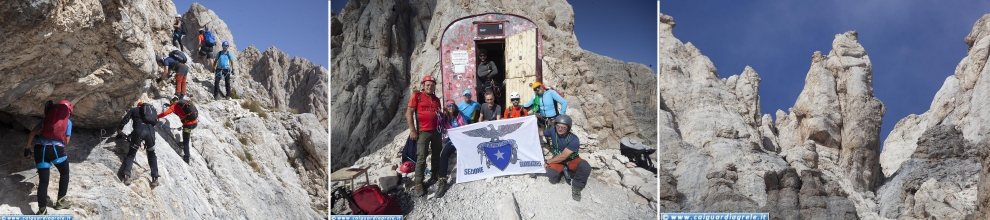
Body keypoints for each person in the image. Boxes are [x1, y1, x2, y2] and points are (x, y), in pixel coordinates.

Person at [22, 100, 74, 215]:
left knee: (43, 181)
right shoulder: (68, 122)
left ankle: (42, 210)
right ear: (68, 112)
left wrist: (27, 149)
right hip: (56, 149)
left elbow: (32, 133)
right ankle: (61, 201)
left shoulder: (45, 120)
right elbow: (66, 142)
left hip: (40, 148)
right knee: (64, 172)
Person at [404, 75, 442, 196]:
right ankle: (418, 183)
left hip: (436, 131)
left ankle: (435, 172)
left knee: (437, 153)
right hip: (423, 132)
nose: (430, 87)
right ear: (423, 86)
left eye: (432, 85)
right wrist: (412, 130)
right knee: (421, 157)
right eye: (427, 85)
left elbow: (439, 115)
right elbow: (408, 114)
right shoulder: (417, 96)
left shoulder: (437, 99)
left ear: (435, 86)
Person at [540, 114, 590, 201]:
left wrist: (548, 162)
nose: (559, 129)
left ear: (568, 128)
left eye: (563, 127)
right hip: (558, 159)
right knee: (551, 174)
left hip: (570, 160)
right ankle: (563, 172)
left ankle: (576, 187)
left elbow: (563, 157)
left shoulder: (574, 139)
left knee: (585, 166)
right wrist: (533, 121)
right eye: (558, 126)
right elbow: (540, 132)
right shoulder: (553, 131)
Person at [117, 101, 160, 187]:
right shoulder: (151, 113)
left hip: (139, 129)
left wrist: (120, 130)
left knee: (131, 154)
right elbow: (155, 122)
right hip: (151, 132)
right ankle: (155, 179)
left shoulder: (134, 110)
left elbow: (125, 119)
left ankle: (126, 177)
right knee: (151, 154)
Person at [434, 100, 466, 198]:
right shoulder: (444, 117)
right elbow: (439, 121)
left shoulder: (459, 115)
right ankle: (443, 180)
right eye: (449, 106)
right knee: (444, 155)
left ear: (455, 107)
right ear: (446, 108)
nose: (451, 108)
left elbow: (464, 126)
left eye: (452, 106)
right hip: (452, 141)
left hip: (461, 140)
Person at [158, 96, 198, 163]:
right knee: (186, 136)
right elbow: (179, 112)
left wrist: (157, 116)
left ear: (172, 102)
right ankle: (183, 143)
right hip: (194, 123)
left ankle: (186, 159)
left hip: (187, 125)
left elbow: (165, 113)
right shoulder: (182, 105)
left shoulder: (174, 106)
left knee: (186, 142)